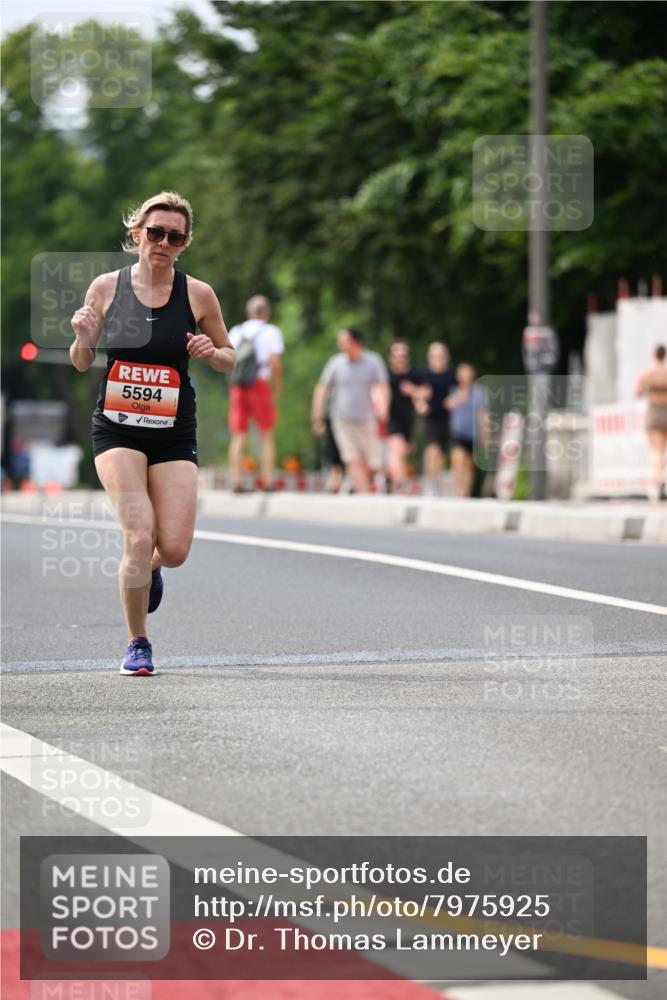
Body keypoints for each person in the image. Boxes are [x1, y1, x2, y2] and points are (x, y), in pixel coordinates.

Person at [70, 191, 235, 676]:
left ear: (185, 244)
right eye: (156, 232)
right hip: (116, 429)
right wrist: (83, 337)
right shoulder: (106, 288)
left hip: (173, 431)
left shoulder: (198, 295)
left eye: (175, 237)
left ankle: (153, 569)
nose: (163, 243)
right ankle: (137, 642)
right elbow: (81, 362)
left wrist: (212, 352)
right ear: (137, 233)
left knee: (174, 550)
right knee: (139, 537)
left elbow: (229, 356)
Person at [311, 328, 389, 494]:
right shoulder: (336, 363)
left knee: (371, 461)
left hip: (367, 419)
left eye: (344, 341)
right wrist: (317, 411)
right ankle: (364, 494)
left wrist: (384, 408)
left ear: (355, 342)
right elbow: (323, 387)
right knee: (351, 459)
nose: (340, 344)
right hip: (342, 419)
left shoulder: (373, 361)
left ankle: (364, 486)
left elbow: (382, 386)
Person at [227, 295, 284, 492]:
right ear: (267, 312)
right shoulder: (271, 331)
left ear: (248, 312)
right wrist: (277, 385)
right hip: (259, 383)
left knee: (239, 434)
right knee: (266, 433)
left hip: (238, 386)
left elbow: (229, 358)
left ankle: (237, 481)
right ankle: (267, 480)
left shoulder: (236, 331)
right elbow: (275, 361)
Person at [414, 341, 457, 496]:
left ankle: (436, 480)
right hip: (430, 417)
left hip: (447, 418)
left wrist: (454, 400)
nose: (438, 358)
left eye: (441, 355)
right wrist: (420, 403)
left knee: (441, 453)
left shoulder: (452, 375)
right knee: (432, 448)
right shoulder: (423, 374)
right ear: (429, 357)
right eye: (435, 355)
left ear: (447, 357)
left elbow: (461, 392)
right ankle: (430, 484)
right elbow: (417, 393)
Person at [445, 363, 490, 497]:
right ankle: (458, 492)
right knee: (458, 460)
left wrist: (485, 434)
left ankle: (465, 494)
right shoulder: (453, 390)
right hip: (457, 432)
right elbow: (447, 405)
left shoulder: (479, 392)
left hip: (472, 434)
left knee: (469, 465)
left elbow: (483, 414)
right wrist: (461, 396)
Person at [385, 340, 422, 492]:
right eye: (397, 355)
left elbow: (426, 392)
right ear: (390, 357)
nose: (400, 358)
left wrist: (414, 391)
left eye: (403, 355)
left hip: (408, 420)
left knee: (400, 454)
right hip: (389, 419)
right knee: (397, 449)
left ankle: (394, 487)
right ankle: (402, 484)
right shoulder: (385, 375)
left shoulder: (414, 374)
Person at [635, 344, 667, 501]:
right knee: (664, 449)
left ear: (654, 355)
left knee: (656, 450)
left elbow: (637, 393)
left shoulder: (647, 373)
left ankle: (658, 481)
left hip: (654, 413)